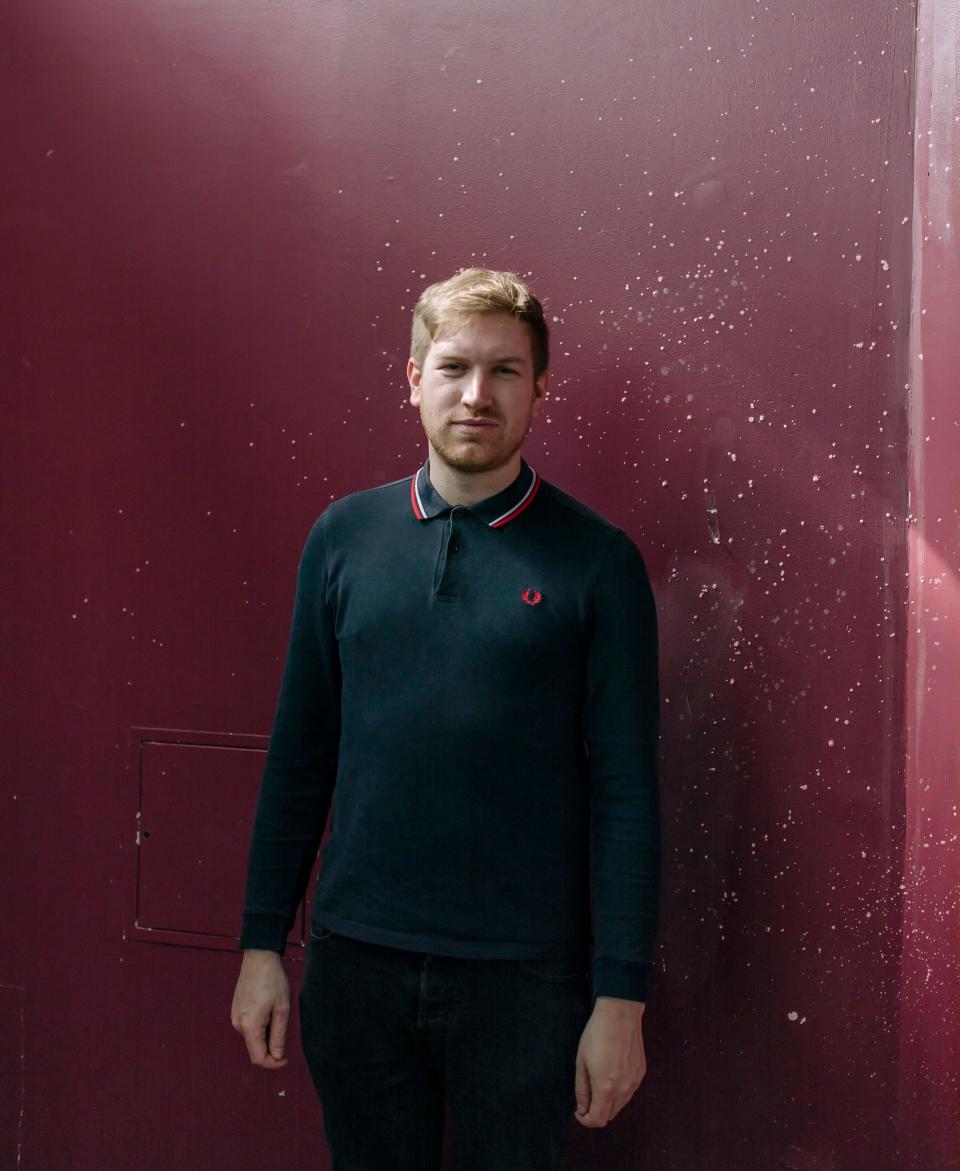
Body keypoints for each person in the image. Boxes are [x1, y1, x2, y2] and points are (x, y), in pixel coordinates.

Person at [230, 267, 661, 1171]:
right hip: (356, 967)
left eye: (506, 371)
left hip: (525, 979)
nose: (476, 394)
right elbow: (300, 754)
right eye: (454, 365)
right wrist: (262, 942)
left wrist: (621, 1000)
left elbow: (627, 792)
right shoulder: (343, 538)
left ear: (541, 387)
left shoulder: (598, 562)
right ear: (414, 376)